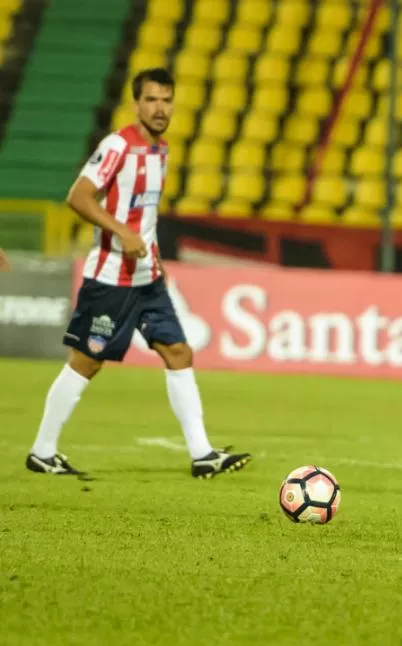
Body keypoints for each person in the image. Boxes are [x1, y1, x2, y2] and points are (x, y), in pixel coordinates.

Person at [26, 68, 251, 479]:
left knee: (179, 352)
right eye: (152, 99)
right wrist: (122, 232)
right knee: (87, 362)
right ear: (137, 104)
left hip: (147, 278)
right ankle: (42, 450)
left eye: (166, 99)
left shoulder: (161, 150)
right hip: (111, 278)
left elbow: (144, 215)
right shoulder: (118, 145)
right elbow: (78, 196)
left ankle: (202, 454)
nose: (160, 107)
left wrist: (154, 255)